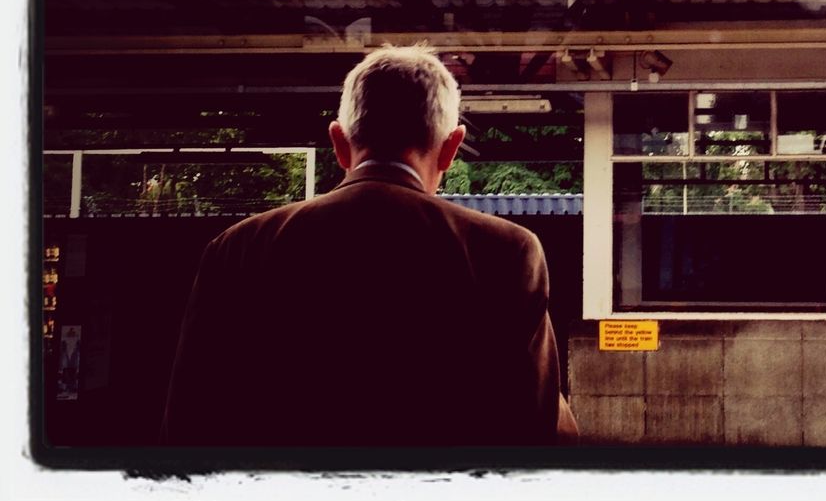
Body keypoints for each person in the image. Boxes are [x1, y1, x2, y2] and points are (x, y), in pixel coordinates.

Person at [162, 44, 575, 447]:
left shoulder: (237, 249)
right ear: (450, 148)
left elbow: (189, 423)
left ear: (340, 143)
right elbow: (534, 429)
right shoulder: (505, 251)